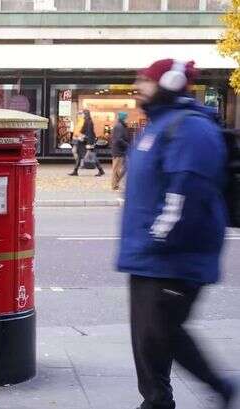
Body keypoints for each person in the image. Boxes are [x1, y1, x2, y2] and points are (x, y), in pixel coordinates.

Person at [117, 59, 237, 409]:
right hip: (146, 255)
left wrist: (158, 237)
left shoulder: (191, 129)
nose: (138, 84)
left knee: (162, 332)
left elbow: (186, 192)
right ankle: (156, 402)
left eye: (145, 79)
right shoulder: (157, 125)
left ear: (168, 82)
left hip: (173, 256)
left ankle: (220, 386)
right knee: (146, 339)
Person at [69, 109, 105, 177]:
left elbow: (89, 133)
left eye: (82, 113)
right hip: (85, 142)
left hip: (86, 142)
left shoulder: (88, 122)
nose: (81, 115)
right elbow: (86, 132)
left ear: (85, 114)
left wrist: (88, 142)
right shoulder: (87, 121)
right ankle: (75, 170)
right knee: (81, 156)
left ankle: (101, 170)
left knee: (92, 156)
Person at [111, 111, 130, 190]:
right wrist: (128, 145)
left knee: (123, 168)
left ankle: (116, 183)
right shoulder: (119, 126)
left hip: (121, 151)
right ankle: (115, 185)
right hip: (118, 151)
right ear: (123, 118)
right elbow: (119, 139)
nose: (127, 119)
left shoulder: (122, 126)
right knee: (116, 169)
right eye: (126, 118)